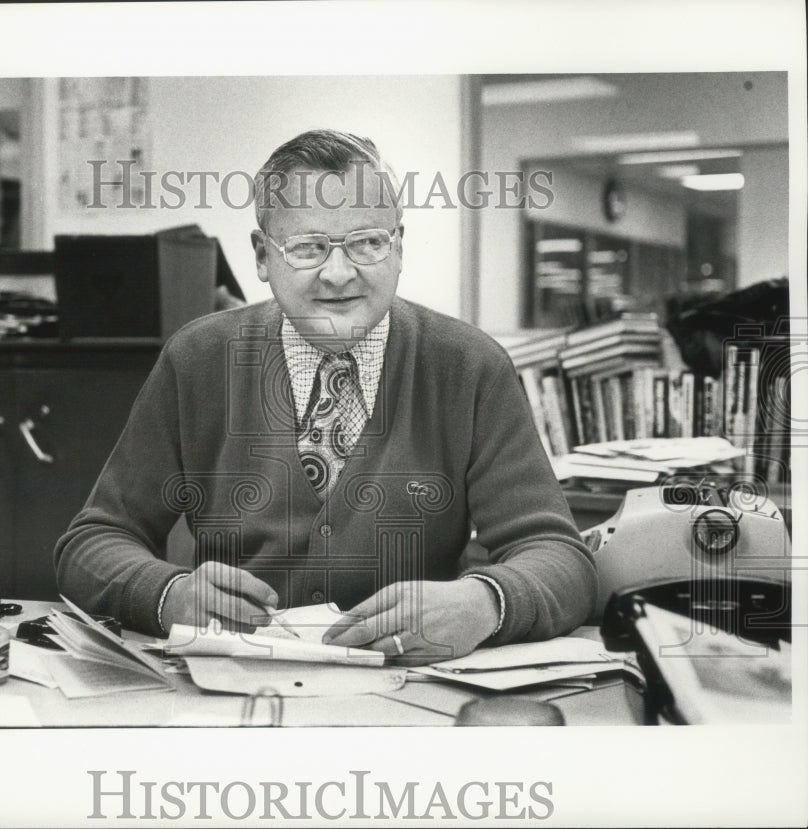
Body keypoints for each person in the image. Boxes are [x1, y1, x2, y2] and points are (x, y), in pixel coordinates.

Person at [54, 129, 597, 665]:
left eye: (367, 243)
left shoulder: (468, 367)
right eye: (309, 248)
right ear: (263, 257)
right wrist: (165, 595)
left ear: (398, 247)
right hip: (234, 692)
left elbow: (563, 561)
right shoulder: (198, 360)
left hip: (411, 696)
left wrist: (484, 603)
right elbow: (91, 544)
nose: (339, 274)